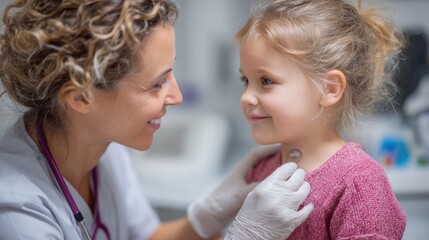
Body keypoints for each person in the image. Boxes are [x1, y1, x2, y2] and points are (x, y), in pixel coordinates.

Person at [0, 0, 314, 239]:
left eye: (171, 72)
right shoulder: (17, 213)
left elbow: (147, 237)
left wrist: (209, 214)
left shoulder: (103, 145)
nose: (176, 96)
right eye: (156, 83)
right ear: (82, 97)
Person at [235, 0, 407, 239]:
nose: (246, 97)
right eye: (245, 80)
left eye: (265, 81)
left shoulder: (359, 183)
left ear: (329, 88)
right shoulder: (261, 170)